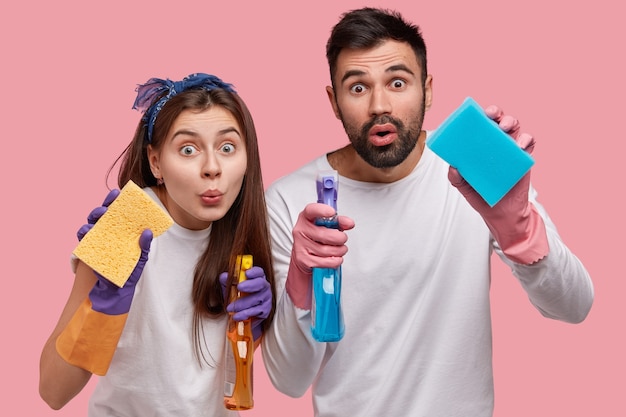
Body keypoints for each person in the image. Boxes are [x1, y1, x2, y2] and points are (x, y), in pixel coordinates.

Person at [261, 7, 594, 417]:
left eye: (397, 82)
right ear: (333, 100)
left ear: (428, 90)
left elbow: (574, 305)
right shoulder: (288, 199)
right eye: (357, 88)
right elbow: (288, 380)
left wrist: (519, 229)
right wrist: (301, 280)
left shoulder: (466, 167)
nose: (379, 106)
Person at [39, 73, 276, 416]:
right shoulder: (126, 224)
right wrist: (101, 309)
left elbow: (205, 383)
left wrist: (248, 334)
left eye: (227, 148)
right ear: (155, 162)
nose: (212, 168)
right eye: (188, 149)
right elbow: (52, 390)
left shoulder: (245, 230)